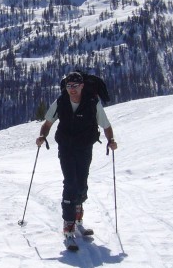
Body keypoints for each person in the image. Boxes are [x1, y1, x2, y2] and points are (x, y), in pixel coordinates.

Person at [35, 71, 117, 241]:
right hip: (66, 147)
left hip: (85, 146)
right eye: (69, 86)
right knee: (70, 181)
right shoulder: (61, 101)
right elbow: (48, 123)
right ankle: (69, 221)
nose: (72, 89)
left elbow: (106, 125)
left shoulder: (92, 103)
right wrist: (42, 136)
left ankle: (78, 214)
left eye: (75, 86)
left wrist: (112, 140)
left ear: (82, 86)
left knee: (81, 181)